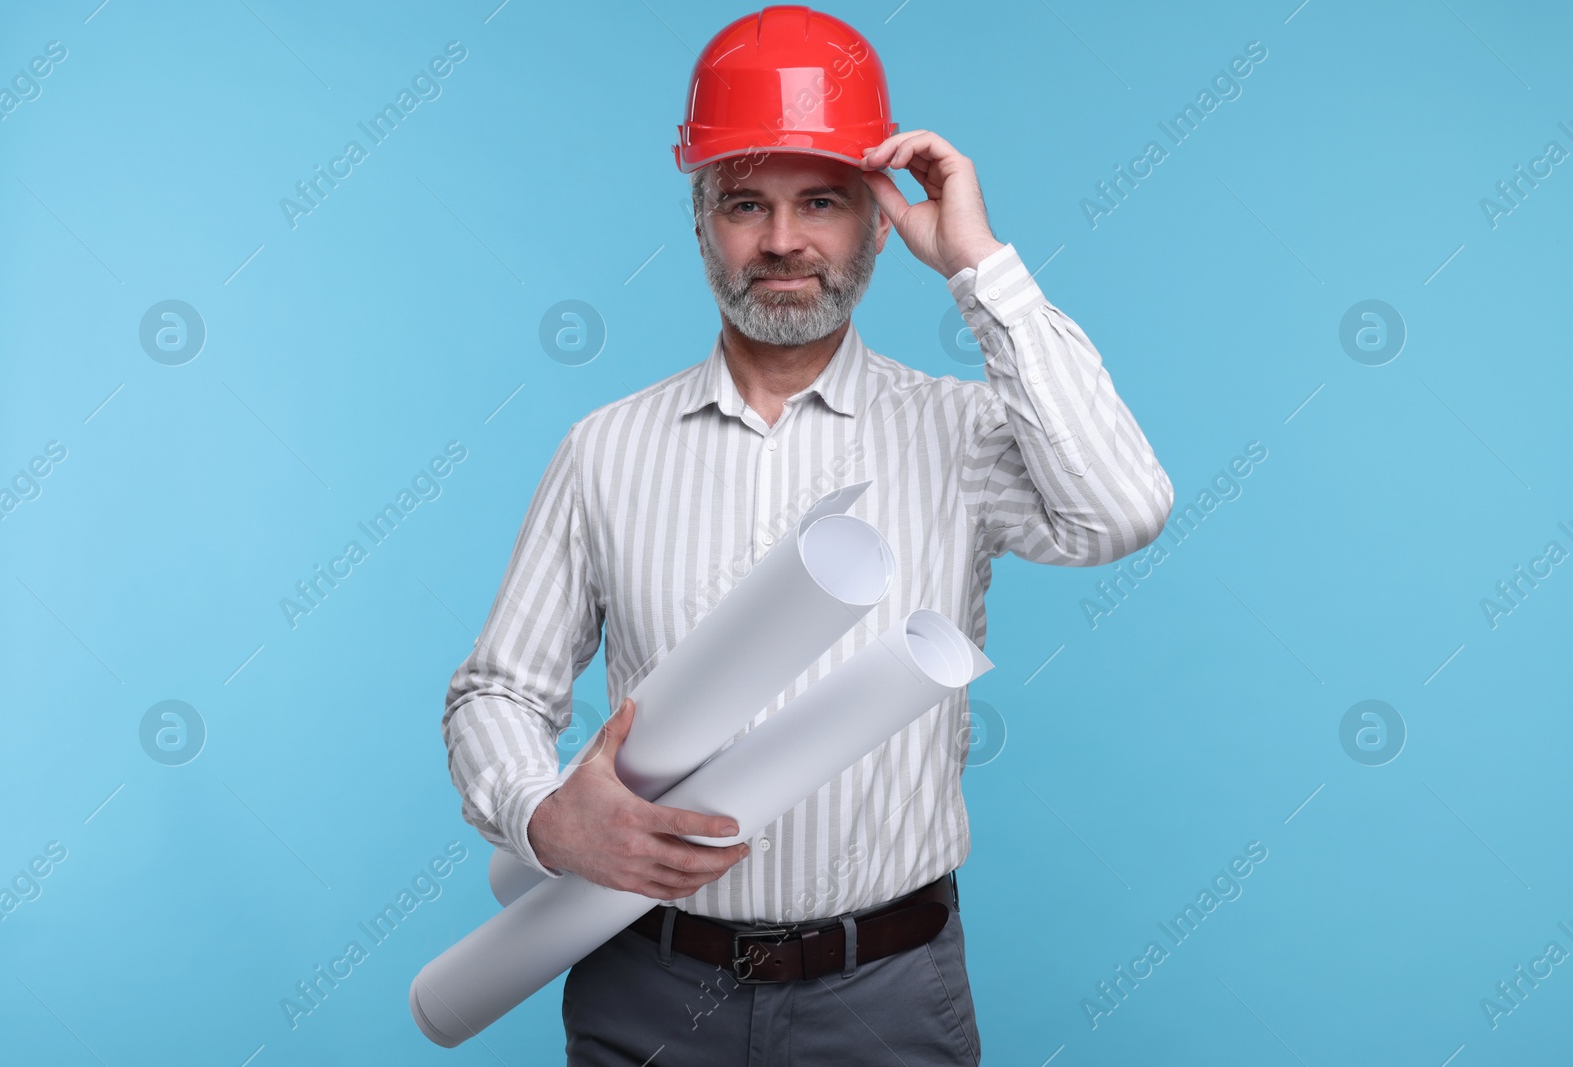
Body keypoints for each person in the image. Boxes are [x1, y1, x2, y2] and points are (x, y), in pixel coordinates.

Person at [441, 6, 1172, 1064]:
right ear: (701, 224)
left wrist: (977, 264)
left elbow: (1120, 509)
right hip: (643, 980)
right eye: (746, 203)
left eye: (820, 201)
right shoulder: (605, 448)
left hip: (886, 993)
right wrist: (539, 814)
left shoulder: (960, 430)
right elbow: (497, 690)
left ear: (878, 222)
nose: (782, 241)